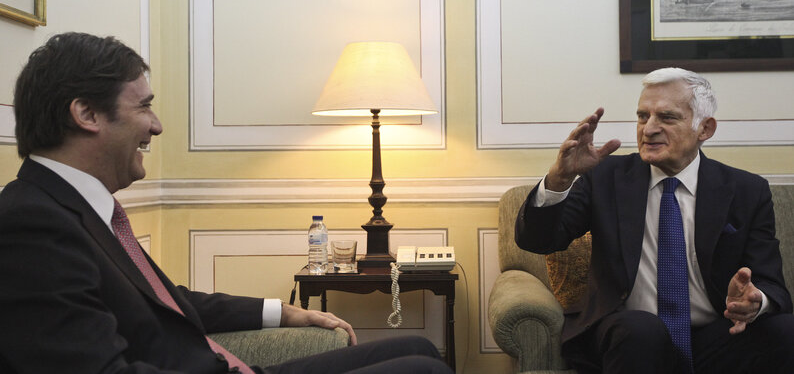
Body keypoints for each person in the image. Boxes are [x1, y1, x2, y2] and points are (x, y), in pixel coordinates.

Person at [0, 32, 452, 374]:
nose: (155, 126)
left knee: (417, 348)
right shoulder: (32, 226)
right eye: (144, 107)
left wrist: (284, 311)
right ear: (87, 115)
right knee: (423, 370)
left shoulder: (76, 210)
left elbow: (166, 302)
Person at [515, 67, 794, 373]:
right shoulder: (606, 177)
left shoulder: (746, 191)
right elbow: (538, 240)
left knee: (784, 331)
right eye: (642, 116)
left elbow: (771, 284)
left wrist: (756, 303)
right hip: (629, 332)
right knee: (641, 330)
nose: (648, 129)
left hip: (713, 336)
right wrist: (559, 179)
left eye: (667, 117)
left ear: (705, 128)